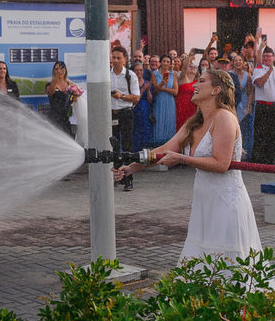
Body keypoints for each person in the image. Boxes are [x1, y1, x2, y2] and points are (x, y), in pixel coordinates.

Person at [113, 69, 261, 263]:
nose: (194, 86)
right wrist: (133, 167)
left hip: (226, 201)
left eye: (201, 81)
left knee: (227, 264)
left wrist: (182, 159)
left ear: (216, 90)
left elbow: (221, 164)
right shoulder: (194, 122)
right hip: (203, 200)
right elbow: (166, 149)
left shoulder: (224, 117)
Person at [109, 46, 140, 191]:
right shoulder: (106, 74)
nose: (115, 60)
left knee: (127, 146)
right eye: (113, 57)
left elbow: (136, 98)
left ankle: (128, 179)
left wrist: (121, 96)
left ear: (125, 59)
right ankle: (117, 176)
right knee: (113, 146)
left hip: (126, 113)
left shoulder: (130, 75)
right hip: (110, 114)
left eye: (118, 58)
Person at [251, 45, 275, 163]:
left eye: (269, 56)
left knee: (274, 133)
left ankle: (269, 160)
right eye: (265, 56)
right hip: (263, 105)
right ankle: (258, 159)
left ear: (273, 57)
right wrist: (270, 70)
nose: (267, 58)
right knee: (261, 133)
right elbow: (260, 83)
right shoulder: (258, 69)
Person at [45, 61, 80, 138]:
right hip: (55, 118)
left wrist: (75, 97)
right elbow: (51, 91)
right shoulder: (50, 85)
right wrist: (56, 77)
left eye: (62, 69)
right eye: (57, 69)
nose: (59, 71)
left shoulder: (70, 85)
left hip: (67, 118)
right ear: (53, 71)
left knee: (70, 137)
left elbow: (78, 94)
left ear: (65, 70)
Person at [151, 55, 178, 145]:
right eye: (164, 61)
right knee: (159, 123)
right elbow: (154, 91)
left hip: (170, 102)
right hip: (159, 101)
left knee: (169, 123)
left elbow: (175, 91)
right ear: (160, 62)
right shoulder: (155, 73)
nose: (165, 63)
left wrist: (163, 88)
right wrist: (161, 84)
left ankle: (169, 146)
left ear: (170, 64)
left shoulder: (173, 74)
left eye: (168, 62)